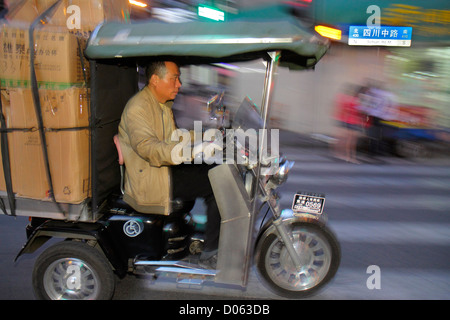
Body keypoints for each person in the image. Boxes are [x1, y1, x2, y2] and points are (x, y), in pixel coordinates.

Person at [118, 60, 220, 268]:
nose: (179, 84)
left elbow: (174, 137)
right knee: (218, 184)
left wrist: (206, 135)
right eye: (174, 78)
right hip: (151, 178)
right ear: (155, 79)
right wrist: (193, 151)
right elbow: (150, 149)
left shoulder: (161, 104)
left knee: (215, 169)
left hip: (163, 170)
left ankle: (207, 237)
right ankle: (212, 251)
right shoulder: (138, 108)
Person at [333, 84, 365, 164]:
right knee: (351, 142)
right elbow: (359, 111)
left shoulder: (343, 98)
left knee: (343, 139)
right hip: (353, 122)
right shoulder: (354, 100)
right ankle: (350, 157)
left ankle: (340, 154)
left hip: (346, 120)